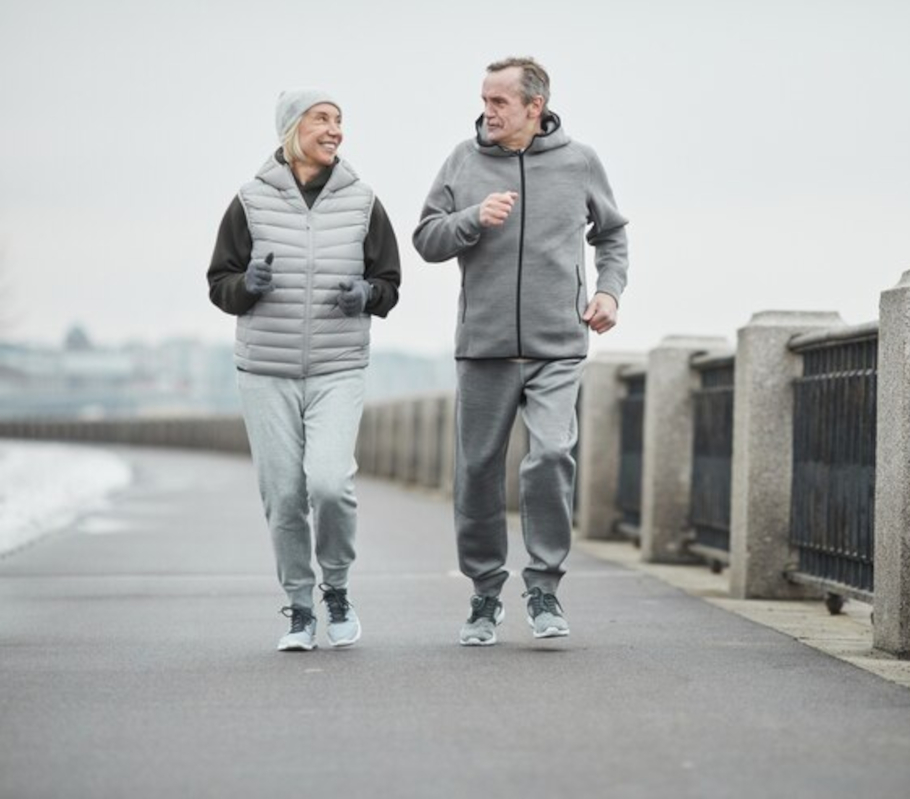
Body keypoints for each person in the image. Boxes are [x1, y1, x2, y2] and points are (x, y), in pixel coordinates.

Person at [413, 57, 629, 646]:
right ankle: (484, 594)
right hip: (482, 348)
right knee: (478, 473)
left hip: (556, 346)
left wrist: (609, 291)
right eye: (485, 100)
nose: (488, 111)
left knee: (552, 454)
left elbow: (610, 234)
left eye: (500, 101)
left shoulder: (579, 162)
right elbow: (426, 237)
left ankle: (543, 588)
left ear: (535, 106)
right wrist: (470, 220)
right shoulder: (463, 159)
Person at [207, 89, 401, 651]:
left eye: (339, 120)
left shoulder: (363, 201)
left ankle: (335, 588)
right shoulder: (249, 200)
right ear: (293, 129)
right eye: (322, 118)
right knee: (285, 495)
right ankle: (298, 606)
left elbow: (389, 283)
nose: (335, 128)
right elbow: (220, 281)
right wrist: (248, 287)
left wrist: (365, 294)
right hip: (264, 370)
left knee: (330, 484)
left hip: (338, 368)